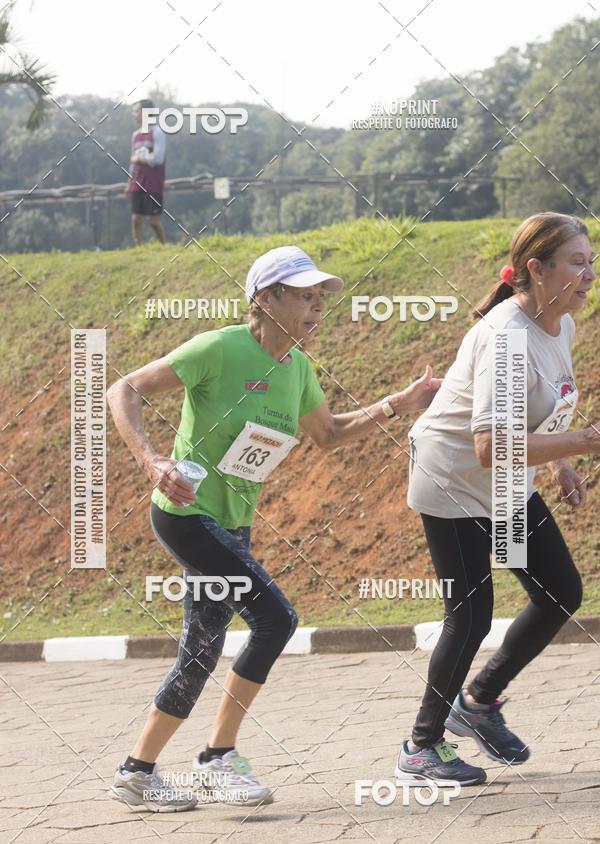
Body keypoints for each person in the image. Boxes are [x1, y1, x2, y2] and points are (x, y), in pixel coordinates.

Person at [108, 245, 442, 811]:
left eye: (320, 298)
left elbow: (330, 433)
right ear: (266, 299)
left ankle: (136, 772)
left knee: (201, 649)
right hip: (187, 515)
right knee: (275, 617)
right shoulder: (220, 347)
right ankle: (217, 757)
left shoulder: (299, 369)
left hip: (232, 524)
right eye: (305, 296)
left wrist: (397, 404)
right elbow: (126, 388)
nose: (317, 308)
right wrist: (152, 461)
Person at [395, 212, 599, 788]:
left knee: (559, 590)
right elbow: (489, 446)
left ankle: (478, 701)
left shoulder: (560, 326)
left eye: (592, 262)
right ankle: (419, 747)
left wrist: (558, 459)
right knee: (471, 614)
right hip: (455, 482)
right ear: (535, 269)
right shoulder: (506, 337)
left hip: (508, 482)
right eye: (577, 263)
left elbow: (540, 408)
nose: (589, 274)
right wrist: (584, 442)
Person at [125, 98, 166, 246]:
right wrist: (129, 182)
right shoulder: (135, 135)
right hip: (138, 182)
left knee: (153, 221)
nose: (134, 114)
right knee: (136, 219)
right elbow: (132, 163)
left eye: (136, 111)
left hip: (153, 183)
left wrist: (139, 159)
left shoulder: (158, 133)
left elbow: (158, 159)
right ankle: (139, 249)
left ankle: (163, 246)